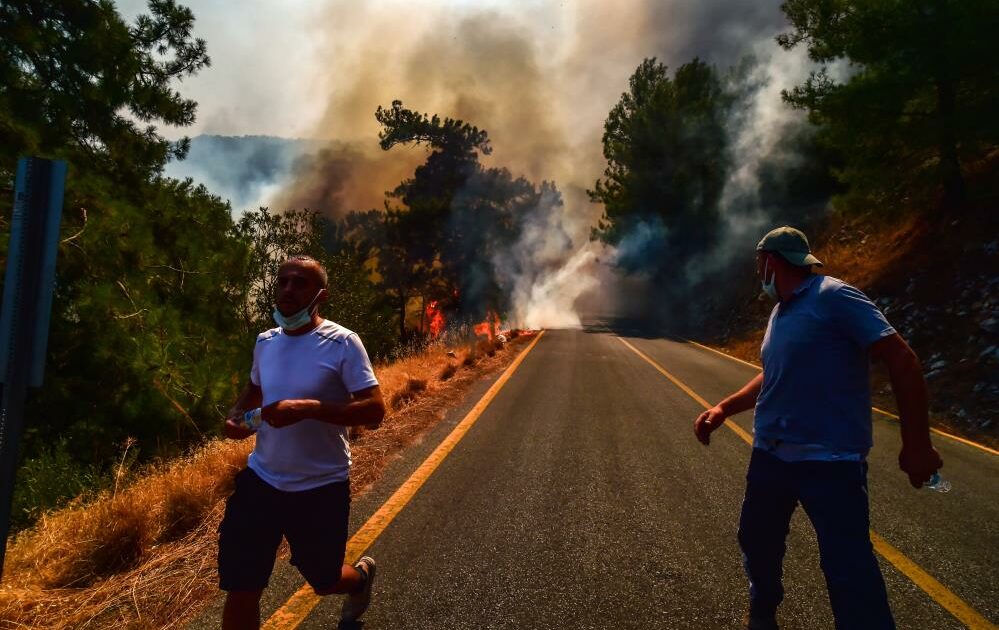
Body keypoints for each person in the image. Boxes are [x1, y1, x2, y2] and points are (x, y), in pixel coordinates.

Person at [693, 226, 943, 630]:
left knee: (849, 569)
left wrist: (917, 445)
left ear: (771, 261)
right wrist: (724, 408)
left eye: (759, 265)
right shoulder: (782, 310)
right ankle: (763, 610)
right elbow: (773, 375)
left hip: (829, 462)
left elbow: (902, 360)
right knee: (757, 541)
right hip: (771, 456)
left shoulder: (834, 297)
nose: (758, 273)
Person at [218, 255, 386, 629]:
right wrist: (237, 416)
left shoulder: (343, 343)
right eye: (283, 282)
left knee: (324, 580)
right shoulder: (265, 342)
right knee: (242, 586)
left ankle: (358, 579)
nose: (288, 289)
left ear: (320, 295)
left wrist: (310, 408)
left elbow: (375, 411)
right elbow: (255, 391)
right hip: (261, 482)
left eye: (300, 283)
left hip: (321, 486)